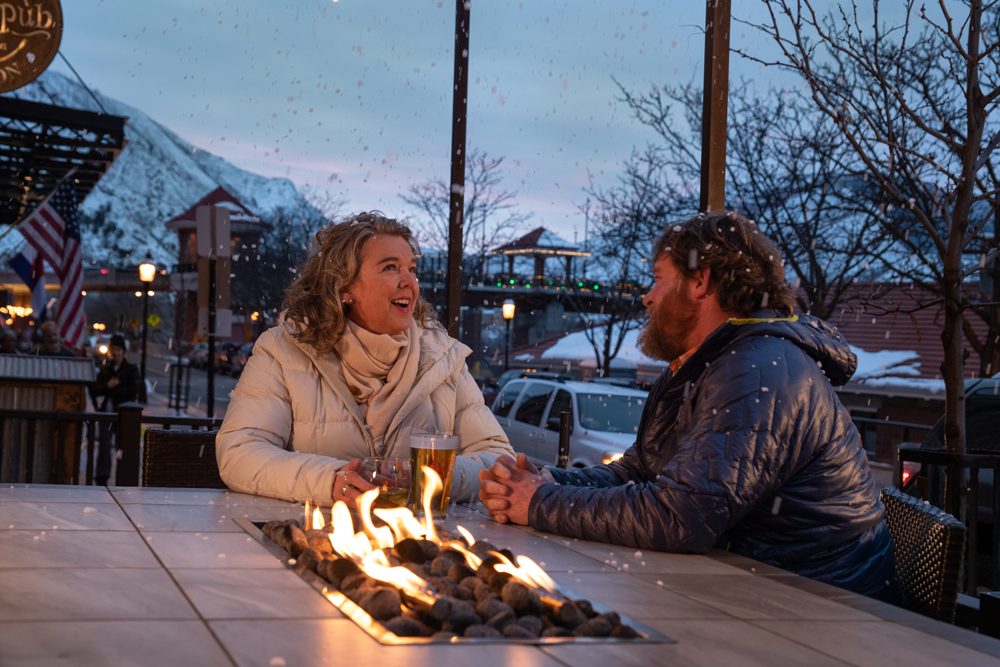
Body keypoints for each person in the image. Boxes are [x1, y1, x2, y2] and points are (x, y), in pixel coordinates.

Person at [479, 211, 901, 602]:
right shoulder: (709, 365)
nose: (647, 297)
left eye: (658, 279)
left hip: (824, 608)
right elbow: (639, 472)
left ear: (700, 281)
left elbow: (682, 515)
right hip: (755, 586)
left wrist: (540, 502)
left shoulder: (758, 373)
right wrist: (550, 481)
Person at [216, 211, 515, 507]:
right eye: (390, 268)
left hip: (420, 545)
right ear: (345, 287)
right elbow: (239, 453)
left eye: (412, 269)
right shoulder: (283, 350)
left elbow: (500, 460)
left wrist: (431, 479)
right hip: (313, 541)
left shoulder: (444, 359)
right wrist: (329, 480)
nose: (409, 281)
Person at [91, 335, 142, 486]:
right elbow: (94, 390)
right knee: (104, 448)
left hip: (125, 416)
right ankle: (102, 477)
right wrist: (108, 386)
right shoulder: (105, 369)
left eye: (119, 350)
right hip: (106, 415)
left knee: (124, 448)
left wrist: (111, 390)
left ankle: (124, 479)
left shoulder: (131, 370)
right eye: (114, 350)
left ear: (124, 351)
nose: (116, 353)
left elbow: (133, 390)